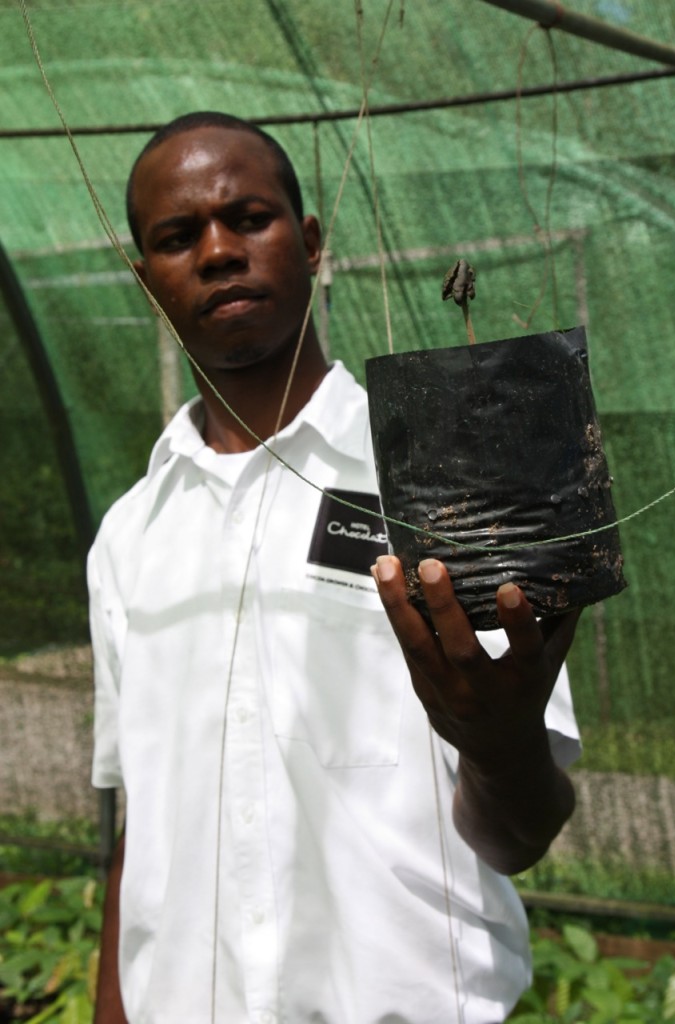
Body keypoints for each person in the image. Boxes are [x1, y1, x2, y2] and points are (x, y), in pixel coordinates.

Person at [89, 110, 581, 1024]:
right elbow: (139, 840)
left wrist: (500, 741)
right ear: (145, 277)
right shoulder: (130, 535)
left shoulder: (447, 480)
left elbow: (523, 835)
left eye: (249, 217)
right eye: (177, 235)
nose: (218, 250)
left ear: (311, 243)